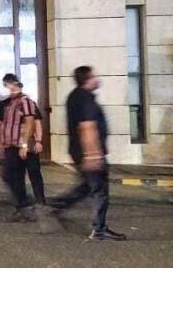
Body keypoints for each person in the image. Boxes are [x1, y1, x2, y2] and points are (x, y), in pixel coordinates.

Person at [42, 66, 126, 240]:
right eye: (94, 76)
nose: (97, 79)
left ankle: (56, 206)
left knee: (87, 187)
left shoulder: (74, 96)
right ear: (87, 79)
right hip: (90, 153)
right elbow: (87, 127)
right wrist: (93, 155)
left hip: (79, 152)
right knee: (100, 192)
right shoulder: (86, 98)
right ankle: (99, 230)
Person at [0, 74, 40, 222]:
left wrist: (25, 144)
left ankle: (28, 202)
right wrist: (1, 141)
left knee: (14, 175)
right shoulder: (9, 104)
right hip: (11, 146)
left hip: (21, 146)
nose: (6, 89)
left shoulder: (25, 101)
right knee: (14, 177)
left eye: (7, 85)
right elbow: (2, 124)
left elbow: (30, 122)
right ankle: (22, 207)